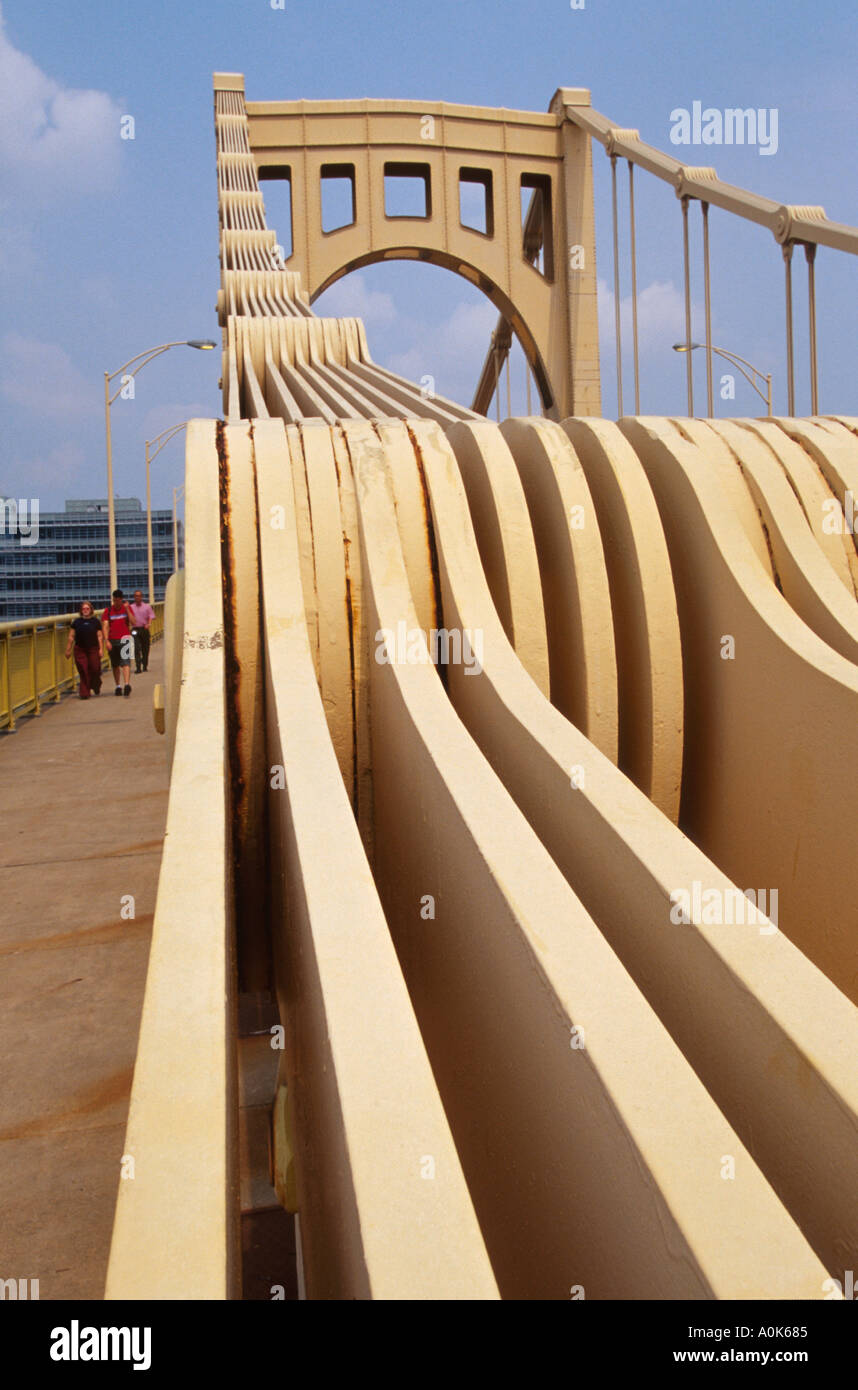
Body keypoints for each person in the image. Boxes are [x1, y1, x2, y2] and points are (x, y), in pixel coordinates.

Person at [64, 600, 103, 699]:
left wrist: (101, 649)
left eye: (87, 609)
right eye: (83, 609)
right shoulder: (76, 622)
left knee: (95, 668)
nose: (85, 610)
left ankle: (96, 684)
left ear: (91, 610)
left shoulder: (95, 621)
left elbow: (99, 636)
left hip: (93, 648)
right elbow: (71, 636)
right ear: (81, 611)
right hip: (80, 649)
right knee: (83, 669)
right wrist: (68, 649)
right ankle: (84, 693)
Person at [102, 588, 134, 697]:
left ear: (121, 600)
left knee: (126, 662)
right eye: (114, 600)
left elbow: (133, 622)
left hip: (125, 639)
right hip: (112, 640)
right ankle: (118, 686)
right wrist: (106, 641)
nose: (115, 603)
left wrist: (127, 610)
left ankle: (126, 684)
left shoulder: (126, 609)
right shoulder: (108, 611)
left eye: (117, 600)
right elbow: (105, 626)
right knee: (115, 665)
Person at [129, 589, 155, 673]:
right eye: (136, 596)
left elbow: (151, 616)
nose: (138, 597)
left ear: (142, 597)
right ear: (134, 597)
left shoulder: (147, 606)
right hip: (135, 629)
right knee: (136, 648)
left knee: (145, 648)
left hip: (144, 628)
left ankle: (144, 665)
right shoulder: (131, 607)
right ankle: (138, 667)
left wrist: (149, 624)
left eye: (139, 596)